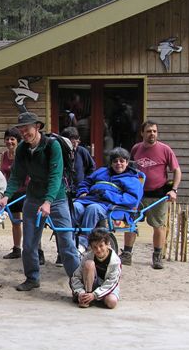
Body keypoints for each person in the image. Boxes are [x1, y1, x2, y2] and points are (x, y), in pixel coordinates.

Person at [0, 112, 80, 291]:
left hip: (56, 198)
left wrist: (49, 201)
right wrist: (6, 196)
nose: (24, 133)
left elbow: (55, 176)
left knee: (66, 243)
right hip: (33, 197)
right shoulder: (21, 149)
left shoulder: (53, 146)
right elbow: (17, 175)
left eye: (27, 129)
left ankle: (77, 281)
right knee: (29, 244)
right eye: (21, 129)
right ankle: (32, 278)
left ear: (37, 127)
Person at [122, 120, 181, 270]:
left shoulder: (165, 149)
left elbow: (177, 170)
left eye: (154, 131)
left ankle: (157, 256)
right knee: (131, 223)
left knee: (158, 226)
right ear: (142, 133)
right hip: (138, 194)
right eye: (149, 131)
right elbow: (129, 169)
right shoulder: (136, 149)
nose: (152, 134)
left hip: (159, 195)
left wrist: (173, 189)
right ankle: (127, 254)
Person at [73, 147, 143, 251]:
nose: (118, 163)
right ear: (111, 163)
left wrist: (106, 194)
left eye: (122, 161)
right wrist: (83, 191)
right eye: (115, 161)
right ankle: (70, 238)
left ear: (127, 162)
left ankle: (83, 241)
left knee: (93, 209)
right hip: (89, 199)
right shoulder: (102, 172)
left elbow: (132, 199)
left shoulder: (131, 179)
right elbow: (86, 182)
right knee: (74, 207)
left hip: (112, 207)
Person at [70, 228, 121, 309]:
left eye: (101, 246)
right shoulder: (88, 257)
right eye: (95, 247)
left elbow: (112, 282)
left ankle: (95, 298)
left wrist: (95, 295)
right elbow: (76, 276)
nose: (98, 250)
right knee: (89, 264)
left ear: (107, 244)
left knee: (112, 302)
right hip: (90, 284)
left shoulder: (115, 261)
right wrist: (80, 292)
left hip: (106, 285)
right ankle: (86, 297)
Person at [0, 128, 27, 259]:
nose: (9, 141)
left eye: (12, 139)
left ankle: (36, 251)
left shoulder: (24, 154)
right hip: (11, 193)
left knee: (29, 222)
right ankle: (17, 249)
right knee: (15, 223)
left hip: (26, 192)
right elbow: (2, 174)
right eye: (7, 139)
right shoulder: (4, 155)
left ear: (18, 141)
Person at [60, 126, 95, 192]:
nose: (76, 145)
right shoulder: (60, 152)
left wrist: (86, 182)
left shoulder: (82, 151)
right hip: (64, 191)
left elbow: (92, 167)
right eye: (73, 142)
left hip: (80, 190)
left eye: (77, 142)